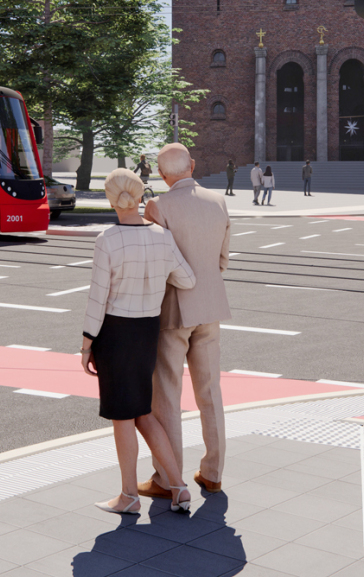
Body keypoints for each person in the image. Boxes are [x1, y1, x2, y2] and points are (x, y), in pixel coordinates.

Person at [80, 168, 195, 515]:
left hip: (115, 333)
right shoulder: (161, 235)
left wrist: (87, 345)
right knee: (143, 412)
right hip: (148, 331)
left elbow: (97, 299)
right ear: (140, 193)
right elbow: (187, 280)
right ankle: (179, 487)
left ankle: (129, 496)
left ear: (111, 199)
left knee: (123, 417)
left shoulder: (108, 239)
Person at [137, 143, 233, 500]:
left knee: (167, 396)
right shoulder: (217, 200)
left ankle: (167, 477)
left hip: (174, 310)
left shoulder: (157, 206)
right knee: (210, 393)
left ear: (162, 175)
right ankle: (213, 473)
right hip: (212, 304)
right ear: (192, 165)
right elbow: (223, 258)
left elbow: (157, 263)